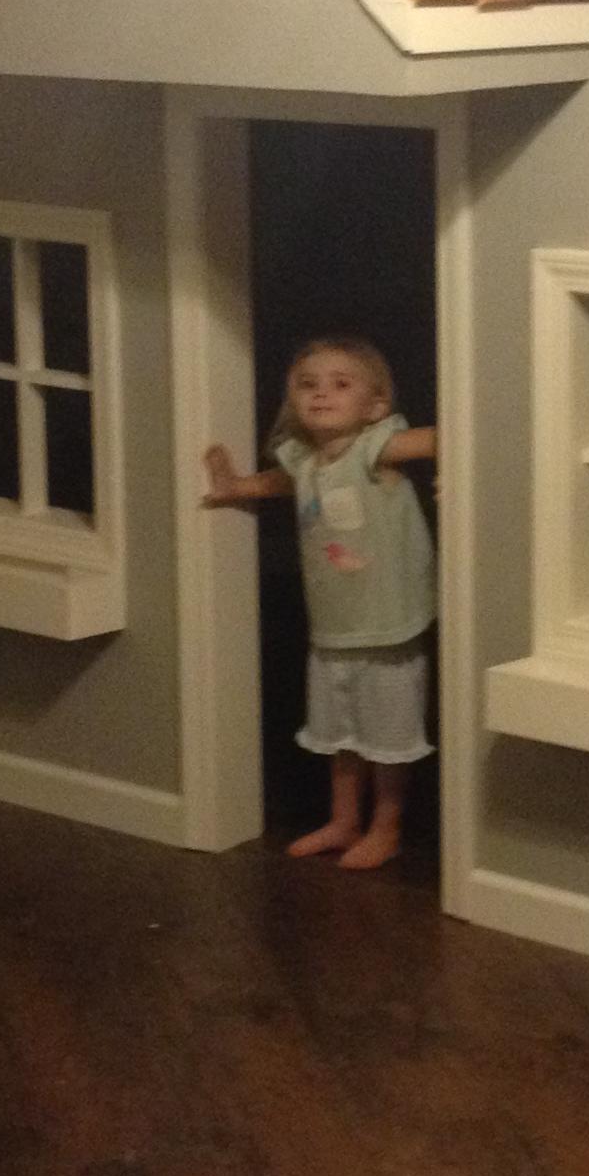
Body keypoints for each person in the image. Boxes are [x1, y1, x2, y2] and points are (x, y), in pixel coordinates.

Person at [202, 336, 438, 870]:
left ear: (375, 405)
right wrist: (235, 486)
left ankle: (387, 827)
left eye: (340, 384)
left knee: (388, 735)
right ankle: (343, 819)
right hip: (332, 627)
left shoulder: (376, 447)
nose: (321, 395)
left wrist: (459, 476)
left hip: (388, 626)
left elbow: (443, 438)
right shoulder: (304, 461)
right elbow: (280, 483)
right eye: (308, 385)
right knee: (341, 733)